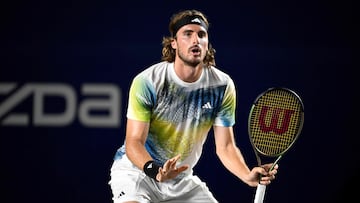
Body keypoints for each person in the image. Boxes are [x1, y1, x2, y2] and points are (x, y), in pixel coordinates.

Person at [108, 9, 278, 203]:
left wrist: (247, 175)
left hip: (181, 182)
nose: (196, 40)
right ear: (174, 43)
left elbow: (226, 146)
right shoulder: (148, 81)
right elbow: (134, 141)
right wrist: (156, 171)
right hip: (138, 174)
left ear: (207, 43)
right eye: (188, 34)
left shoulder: (222, 85)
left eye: (201, 34)